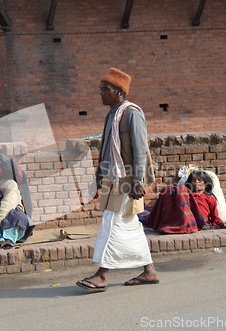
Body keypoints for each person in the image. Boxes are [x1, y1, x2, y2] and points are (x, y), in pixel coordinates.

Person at [76, 68, 159, 292]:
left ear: (120, 92)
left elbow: (140, 149)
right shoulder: (112, 114)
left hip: (128, 179)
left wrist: (138, 181)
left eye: (106, 89)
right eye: (100, 89)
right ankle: (149, 270)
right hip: (114, 178)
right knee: (129, 225)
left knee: (111, 223)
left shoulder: (132, 113)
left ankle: (102, 275)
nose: (101, 93)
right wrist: (97, 180)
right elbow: (106, 151)